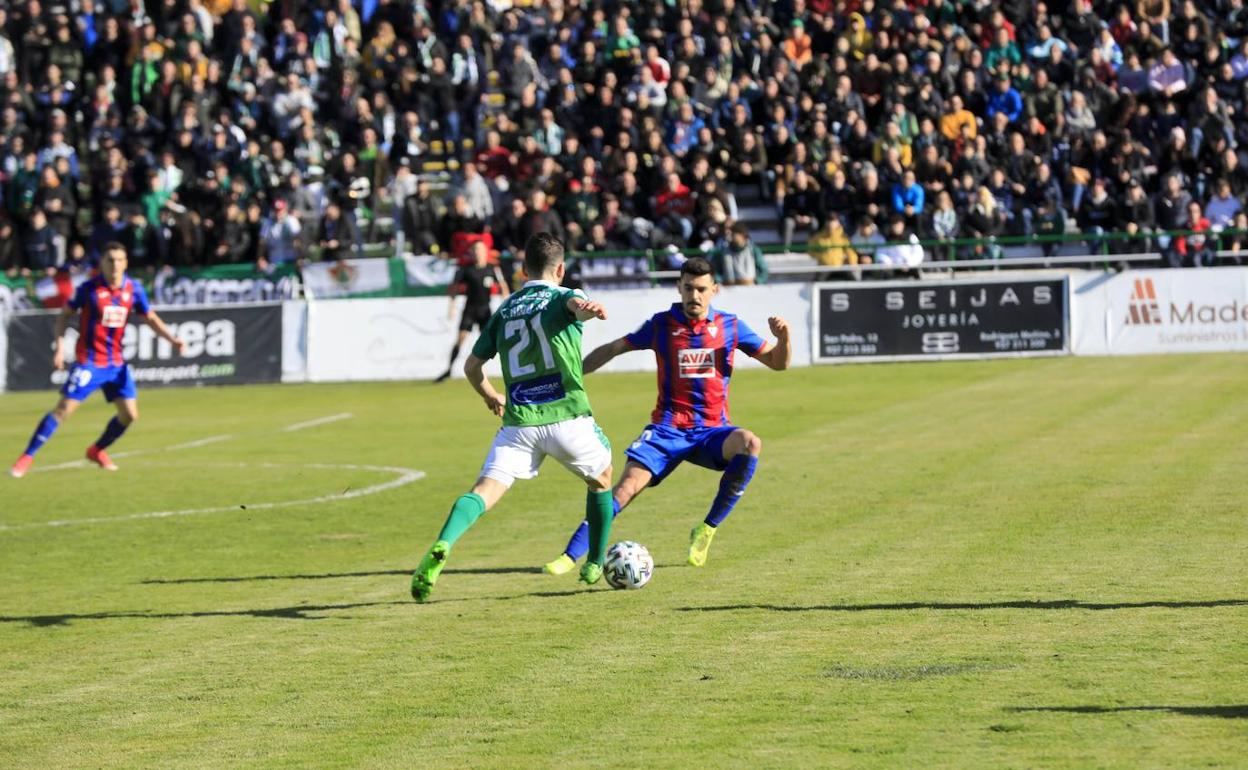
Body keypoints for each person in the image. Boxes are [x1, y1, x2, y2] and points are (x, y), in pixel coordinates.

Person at [543, 256, 791, 575]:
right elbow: (615, 348)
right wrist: (571, 375)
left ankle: (707, 529)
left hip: (712, 431)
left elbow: (778, 362)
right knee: (625, 488)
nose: (694, 295)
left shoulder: (730, 326)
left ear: (714, 290)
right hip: (667, 430)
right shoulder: (662, 325)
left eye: (701, 289)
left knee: (750, 443)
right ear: (679, 288)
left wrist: (784, 338)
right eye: (688, 288)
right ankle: (572, 555)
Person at [410, 233, 616, 601]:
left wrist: (491, 396)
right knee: (602, 480)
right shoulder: (564, 294)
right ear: (561, 269)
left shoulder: (505, 309)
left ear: (523, 271)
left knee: (483, 491)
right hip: (567, 416)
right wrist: (589, 309)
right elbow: (576, 305)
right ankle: (595, 562)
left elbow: (472, 366)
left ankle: (444, 542)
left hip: (519, 424)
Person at [10, 243, 187, 478]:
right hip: (90, 362)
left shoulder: (133, 289)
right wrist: (60, 348)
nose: (115, 265)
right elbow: (64, 315)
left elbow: (151, 318)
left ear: (126, 263)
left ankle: (96, 450)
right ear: (102, 263)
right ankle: (27, 457)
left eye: (119, 260)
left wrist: (172, 340)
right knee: (64, 409)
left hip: (116, 364)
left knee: (130, 415)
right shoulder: (88, 289)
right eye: (110, 260)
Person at [435, 240, 511, 383]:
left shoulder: (492, 269)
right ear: (471, 253)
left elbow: (503, 286)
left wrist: (506, 303)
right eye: (475, 250)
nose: (477, 253)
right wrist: (451, 306)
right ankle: (449, 370)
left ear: (485, 252)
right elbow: (454, 288)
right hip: (470, 310)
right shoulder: (466, 270)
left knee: (494, 342)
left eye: (480, 250)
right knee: (461, 339)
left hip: (485, 311)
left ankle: (508, 369)